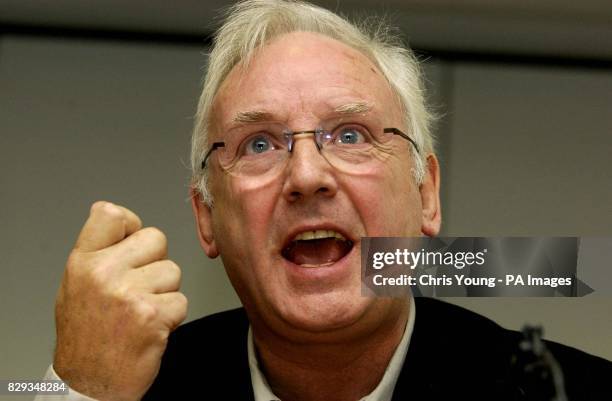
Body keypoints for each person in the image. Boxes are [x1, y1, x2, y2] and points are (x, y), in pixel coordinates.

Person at [39, 1, 611, 400]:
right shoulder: (128, 388)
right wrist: (78, 392)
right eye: (259, 143)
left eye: (351, 135)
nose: (307, 175)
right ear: (206, 217)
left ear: (426, 194)